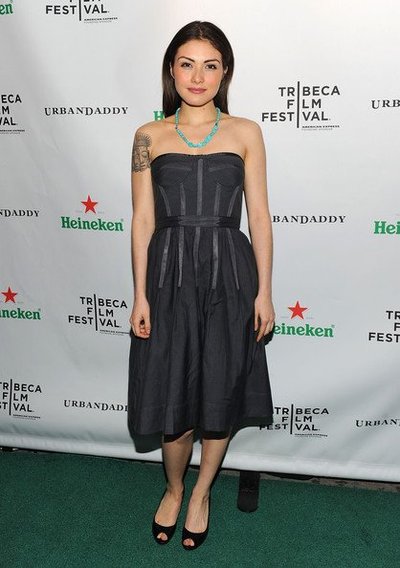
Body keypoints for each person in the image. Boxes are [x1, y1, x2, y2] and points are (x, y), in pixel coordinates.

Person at [128, 20, 275, 550]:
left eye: (210, 66)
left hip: (229, 277)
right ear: (171, 70)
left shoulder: (246, 132)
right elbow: (143, 220)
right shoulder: (147, 137)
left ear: (224, 72)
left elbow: (259, 217)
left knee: (219, 395)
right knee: (173, 404)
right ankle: (173, 488)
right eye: (187, 64)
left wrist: (264, 292)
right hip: (167, 280)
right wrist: (140, 294)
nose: (198, 76)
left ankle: (202, 493)